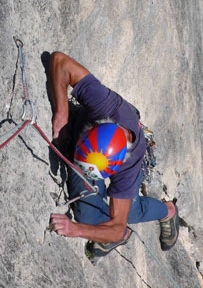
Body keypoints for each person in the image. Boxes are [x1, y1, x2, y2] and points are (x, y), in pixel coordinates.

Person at [45, 51, 180, 259]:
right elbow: (60, 61)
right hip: (90, 150)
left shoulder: (128, 167)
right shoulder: (105, 105)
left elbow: (116, 227)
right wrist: (62, 113)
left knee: (126, 212)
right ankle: (115, 230)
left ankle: (167, 211)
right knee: (92, 214)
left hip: (122, 162)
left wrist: (76, 229)